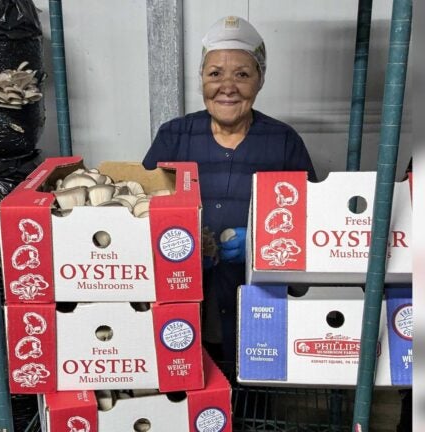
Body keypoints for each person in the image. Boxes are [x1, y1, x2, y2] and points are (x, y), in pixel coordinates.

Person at [143, 16, 316, 363]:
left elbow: (311, 224)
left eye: (242, 74)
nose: (227, 86)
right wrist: (184, 241)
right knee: (187, 376)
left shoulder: (283, 142)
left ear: (260, 79)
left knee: (254, 383)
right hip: (183, 294)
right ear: (202, 80)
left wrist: (256, 241)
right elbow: (141, 209)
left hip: (257, 298)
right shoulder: (174, 136)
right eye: (215, 73)